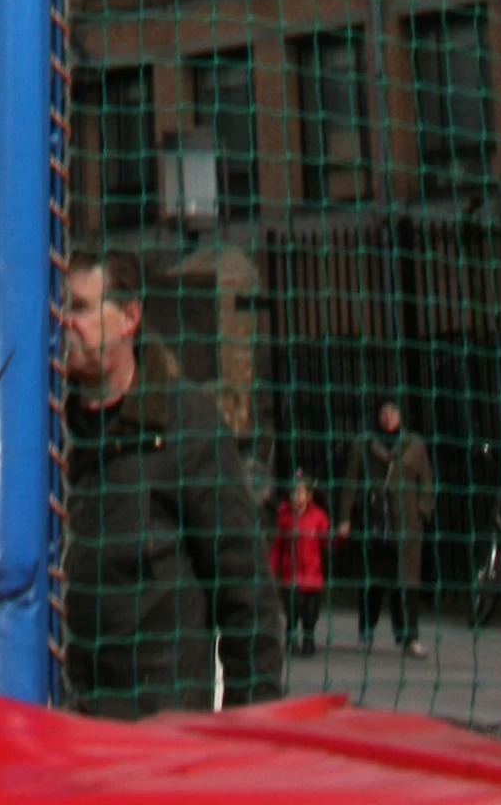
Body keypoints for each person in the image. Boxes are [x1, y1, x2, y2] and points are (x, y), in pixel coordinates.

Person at [58, 249, 282, 717]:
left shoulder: (186, 429)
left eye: (79, 307)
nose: (62, 321)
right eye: (58, 306)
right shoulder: (46, 433)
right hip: (62, 721)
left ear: (129, 318)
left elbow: (245, 589)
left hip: (158, 728)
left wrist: (252, 727)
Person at [338, 396, 434, 654]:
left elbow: (426, 480)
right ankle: (366, 632)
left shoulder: (414, 445)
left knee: (407, 581)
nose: (389, 417)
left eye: (393, 412)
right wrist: (345, 517)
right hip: (375, 520)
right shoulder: (364, 444)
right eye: (384, 412)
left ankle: (409, 636)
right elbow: (351, 482)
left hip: (406, 523)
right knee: (373, 580)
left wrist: (423, 512)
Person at [269, 467, 331, 653]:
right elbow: (276, 547)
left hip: (313, 576)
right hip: (291, 576)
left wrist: (338, 537)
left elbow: (326, 540)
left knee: (311, 612)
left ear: (309, 495)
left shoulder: (318, 517)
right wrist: (272, 571)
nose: (295, 497)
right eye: (293, 493)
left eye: (300, 492)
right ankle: (290, 638)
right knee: (293, 609)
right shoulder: (284, 517)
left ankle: (309, 639)